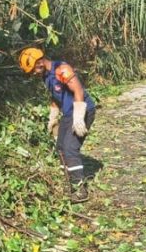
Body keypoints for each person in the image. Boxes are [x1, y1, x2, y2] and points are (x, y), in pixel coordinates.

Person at [18, 47, 96, 203]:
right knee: (60, 147)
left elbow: (78, 91)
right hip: (68, 113)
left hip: (82, 110)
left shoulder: (62, 70)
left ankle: (80, 189)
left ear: (40, 62)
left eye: (33, 70)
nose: (33, 74)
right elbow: (55, 95)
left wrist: (79, 116)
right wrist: (53, 115)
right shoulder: (46, 76)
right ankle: (68, 182)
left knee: (70, 148)